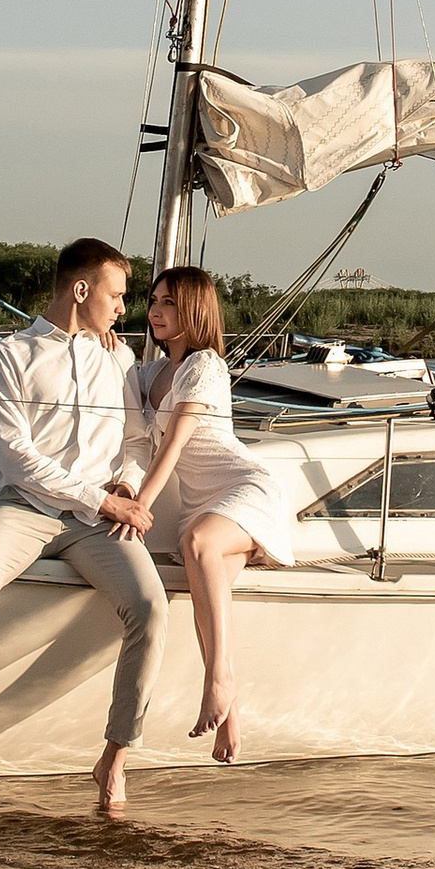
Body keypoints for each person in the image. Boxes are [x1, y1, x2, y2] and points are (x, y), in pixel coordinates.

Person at [0, 237, 163, 826]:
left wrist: (125, 485)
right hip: (26, 508)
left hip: (96, 521)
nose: (123, 308)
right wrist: (102, 499)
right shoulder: (9, 356)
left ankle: (115, 757)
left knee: (151, 608)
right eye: (117, 295)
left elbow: (135, 442)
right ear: (82, 290)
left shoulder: (119, 359)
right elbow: (17, 458)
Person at [121, 262, 294, 763]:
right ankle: (230, 715)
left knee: (195, 543)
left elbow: (172, 445)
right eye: (153, 301)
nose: (155, 310)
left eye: (169, 302)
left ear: (194, 309)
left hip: (245, 488)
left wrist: (139, 507)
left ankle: (218, 681)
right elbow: (137, 442)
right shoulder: (147, 372)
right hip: (203, 506)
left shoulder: (205, 365)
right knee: (205, 604)